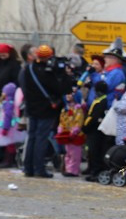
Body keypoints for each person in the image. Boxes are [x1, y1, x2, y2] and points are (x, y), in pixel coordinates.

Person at [21, 45, 67, 178]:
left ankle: (28, 168)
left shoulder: (28, 68)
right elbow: (58, 88)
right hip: (46, 109)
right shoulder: (48, 71)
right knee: (41, 138)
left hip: (31, 107)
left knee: (32, 137)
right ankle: (39, 168)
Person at [83, 80, 110, 181]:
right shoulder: (101, 100)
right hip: (94, 130)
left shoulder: (101, 102)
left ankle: (95, 172)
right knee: (91, 151)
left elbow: (93, 117)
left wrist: (85, 127)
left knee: (94, 151)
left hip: (94, 130)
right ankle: (92, 169)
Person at [57, 92, 86, 177]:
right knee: (68, 153)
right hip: (66, 135)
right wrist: (60, 128)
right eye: (67, 94)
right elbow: (62, 120)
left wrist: (75, 130)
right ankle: (68, 169)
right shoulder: (65, 109)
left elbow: (79, 121)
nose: (68, 96)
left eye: (71, 94)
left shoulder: (78, 109)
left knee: (75, 154)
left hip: (76, 136)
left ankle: (73, 170)